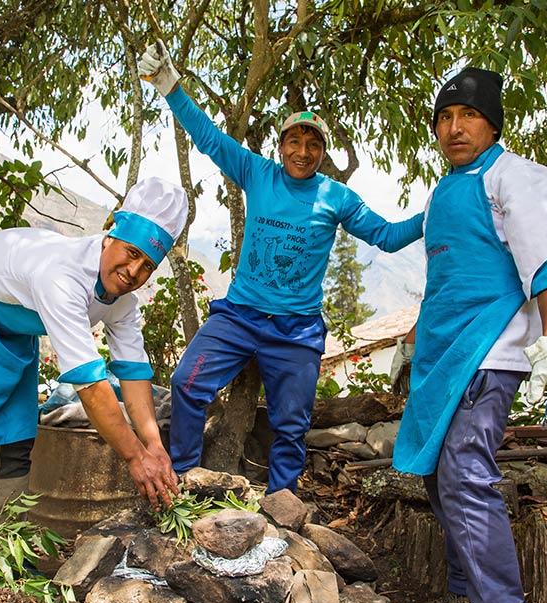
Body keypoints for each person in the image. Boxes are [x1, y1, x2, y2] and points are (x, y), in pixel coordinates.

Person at [138, 41, 425, 495]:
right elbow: (209, 138)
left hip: (295, 330)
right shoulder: (258, 173)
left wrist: (431, 216)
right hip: (238, 316)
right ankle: (186, 480)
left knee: (292, 423)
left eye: (313, 145)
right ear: (282, 146)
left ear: (322, 153)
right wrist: (170, 87)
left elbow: (386, 237)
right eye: (295, 141)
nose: (303, 151)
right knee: (186, 383)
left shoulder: (336, 197)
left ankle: (282, 504)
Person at [393, 68, 547, 603]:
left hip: (489, 348)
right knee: (435, 475)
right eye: (444, 118)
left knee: (466, 474)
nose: (454, 128)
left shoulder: (514, 178)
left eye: (467, 115)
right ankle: (464, 596)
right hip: (440, 355)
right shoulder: (444, 190)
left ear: (492, 123)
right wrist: (412, 345)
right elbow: (442, 274)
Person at [0, 177, 188, 511]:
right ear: (110, 237)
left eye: (147, 265)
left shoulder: (121, 301)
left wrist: (154, 446)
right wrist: (135, 458)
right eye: (132, 253)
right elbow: (89, 385)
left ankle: (3, 542)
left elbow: (133, 373)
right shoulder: (61, 276)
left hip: (13, 326)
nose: (133, 271)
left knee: (18, 440)